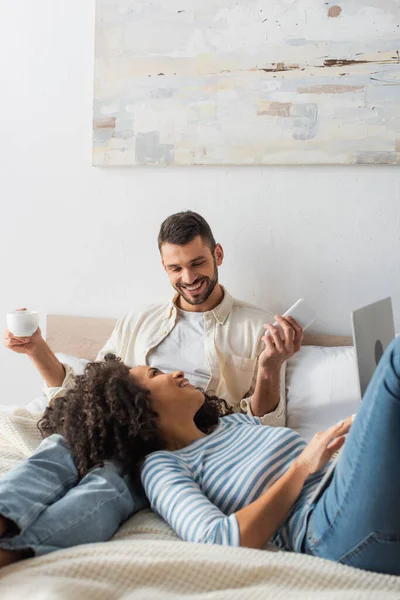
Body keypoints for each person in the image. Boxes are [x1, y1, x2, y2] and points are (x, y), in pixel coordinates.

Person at [2, 338, 400, 575]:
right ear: (138, 408)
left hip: (349, 490)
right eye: (156, 375)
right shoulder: (163, 466)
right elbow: (218, 540)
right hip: (327, 526)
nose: (174, 373)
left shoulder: (235, 425)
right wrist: (301, 467)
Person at [4, 211, 303, 426]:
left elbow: (265, 428)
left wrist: (270, 367)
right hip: (125, 434)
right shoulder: (139, 319)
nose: (188, 278)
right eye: (176, 268)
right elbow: (87, 391)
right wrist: (36, 348)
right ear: (164, 266)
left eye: (198, 263)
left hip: (197, 443)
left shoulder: (261, 328)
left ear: (218, 255)